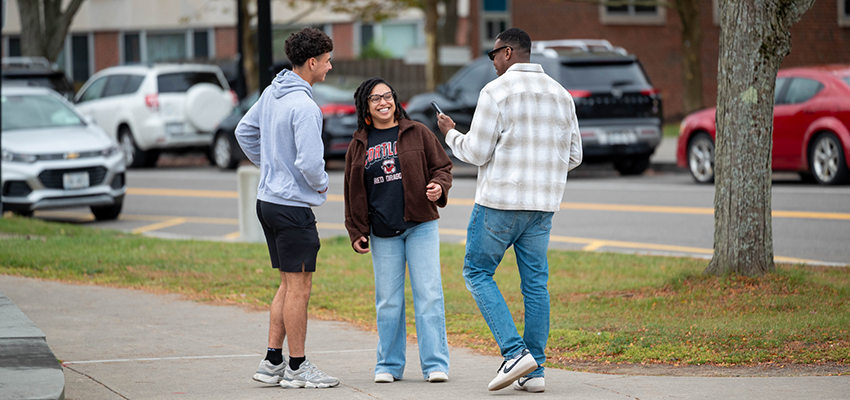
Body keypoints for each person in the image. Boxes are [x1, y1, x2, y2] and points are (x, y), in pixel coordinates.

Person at [436, 27, 583, 393]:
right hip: (543, 205)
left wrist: (451, 134)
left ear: (506, 52)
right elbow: (575, 156)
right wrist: (540, 168)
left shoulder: (496, 91)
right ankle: (535, 372)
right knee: (535, 285)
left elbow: (477, 152)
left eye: (493, 55)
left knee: (477, 272)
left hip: (500, 203)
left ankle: (515, 353)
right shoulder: (562, 95)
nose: (493, 63)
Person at [235, 27, 339, 389]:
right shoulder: (305, 106)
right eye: (326, 61)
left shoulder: (272, 93)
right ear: (311, 62)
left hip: (267, 203)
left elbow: (243, 133)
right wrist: (322, 184)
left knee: (286, 283)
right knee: (299, 288)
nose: (329, 67)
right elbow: (311, 164)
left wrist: (271, 166)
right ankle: (297, 367)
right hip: (292, 208)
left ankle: (272, 361)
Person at [343, 77, 453, 384]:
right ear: (365, 106)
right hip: (382, 232)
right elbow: (352, 191)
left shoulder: (417, 132)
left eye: (387, 96)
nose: (383, 103)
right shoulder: (359, 144)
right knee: (388, 301)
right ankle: (389, 365)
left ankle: (435, 365)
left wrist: (437, 188)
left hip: (420, 226)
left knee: (429, 296)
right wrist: (356, 230)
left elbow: (442, 167)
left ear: (395, 99)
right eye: (375, 99)